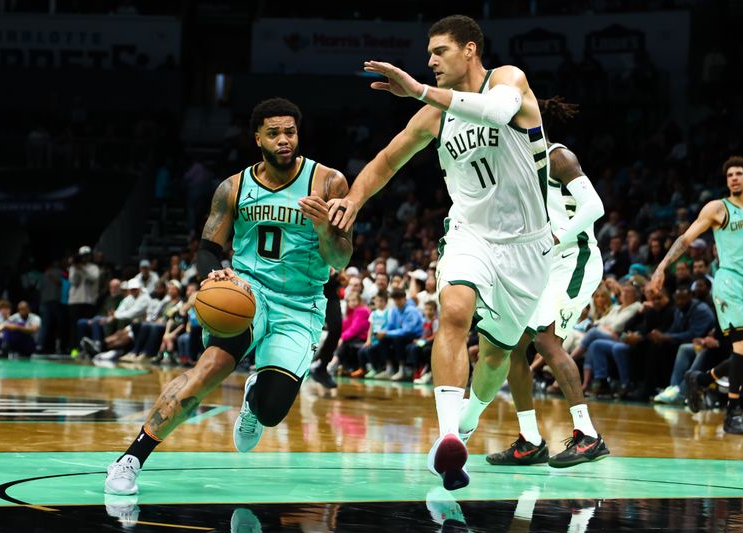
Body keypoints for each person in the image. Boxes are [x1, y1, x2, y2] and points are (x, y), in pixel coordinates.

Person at [329, 15, 552, 489]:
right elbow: (387, 159)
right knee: (453, 310)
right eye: (428, 55)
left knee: (495, 358)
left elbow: (493, 113)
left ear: (469, 50)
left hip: (529, 246)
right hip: (469, 234)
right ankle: (448, 436)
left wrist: (417, 90)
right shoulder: (434, 114)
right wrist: (353, 200)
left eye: (439, 52)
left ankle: (468, 419)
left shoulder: (508, 79)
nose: (429, 62)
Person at [105, 97, 353, 494]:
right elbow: (207, 249)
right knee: (208, 370)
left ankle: (255, 400)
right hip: (247, 292)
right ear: (258, 139)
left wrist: (326, 229)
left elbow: (341, 258)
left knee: (272, 413)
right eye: (273, 133)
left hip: (302, 303)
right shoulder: (232, 188)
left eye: (290, 132)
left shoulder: (329, 182)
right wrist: (213, 274)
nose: (284, 140)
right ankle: (130, 458)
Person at [484, 97, 609, 468]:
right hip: (541, 266)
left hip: (575, 257)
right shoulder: (517, 168)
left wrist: (560, 236)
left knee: (545, 340)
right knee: (511, 345)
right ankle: (530, 440)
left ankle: (589, 436)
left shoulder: (558, 156)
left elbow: (595, 207)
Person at [652, 156, 743, 434]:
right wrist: (662, 266)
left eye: (739, 173)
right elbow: (685, 239)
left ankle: (701, 380)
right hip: (729, 283)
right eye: (730, 175)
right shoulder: (718, 208)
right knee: (741, 348)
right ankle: (733, 414)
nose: (735, 178)